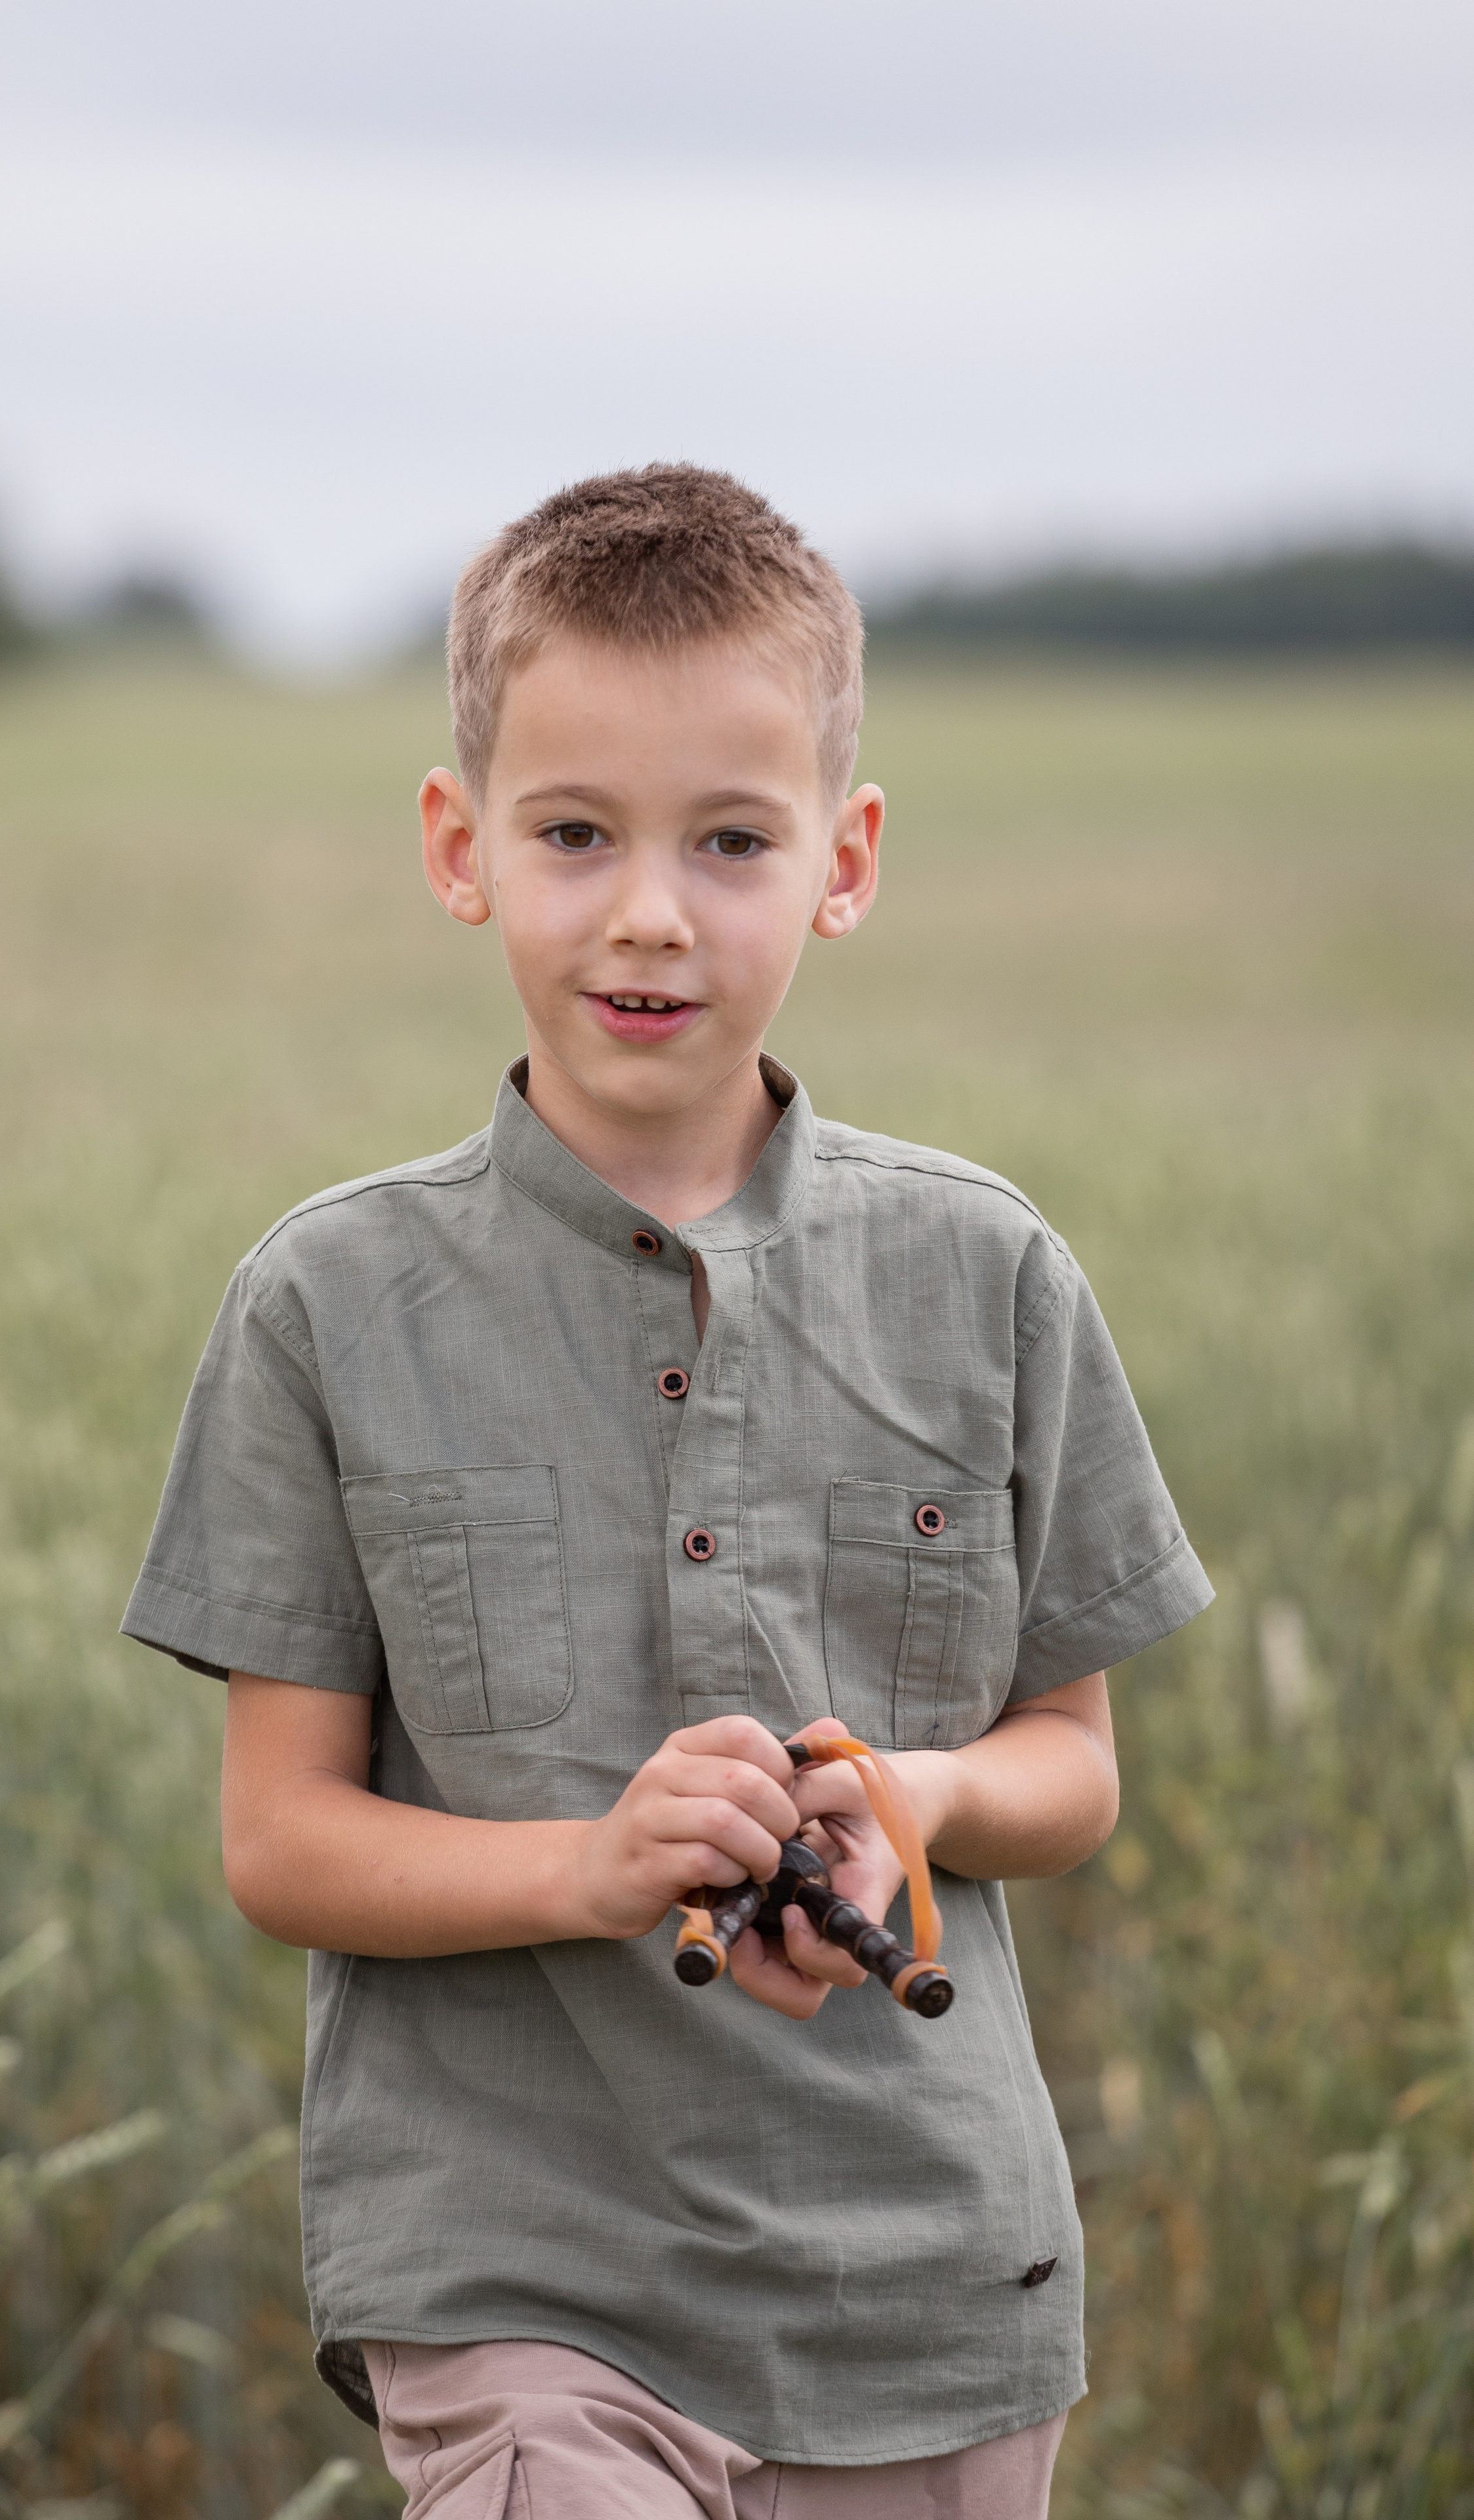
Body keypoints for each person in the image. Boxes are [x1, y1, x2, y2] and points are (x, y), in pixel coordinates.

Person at [122, 465, 1213, 2519]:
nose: (650, 909)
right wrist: (593, 1866)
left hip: (938, 2297)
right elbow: (280, 1839)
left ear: (846, 858)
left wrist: (919, 1792)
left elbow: (1071, 1762)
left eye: (732, 840)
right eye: (574, 834)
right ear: (462, 850)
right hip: (526, 2277)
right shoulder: (326, 1303)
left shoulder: (988, 1275)